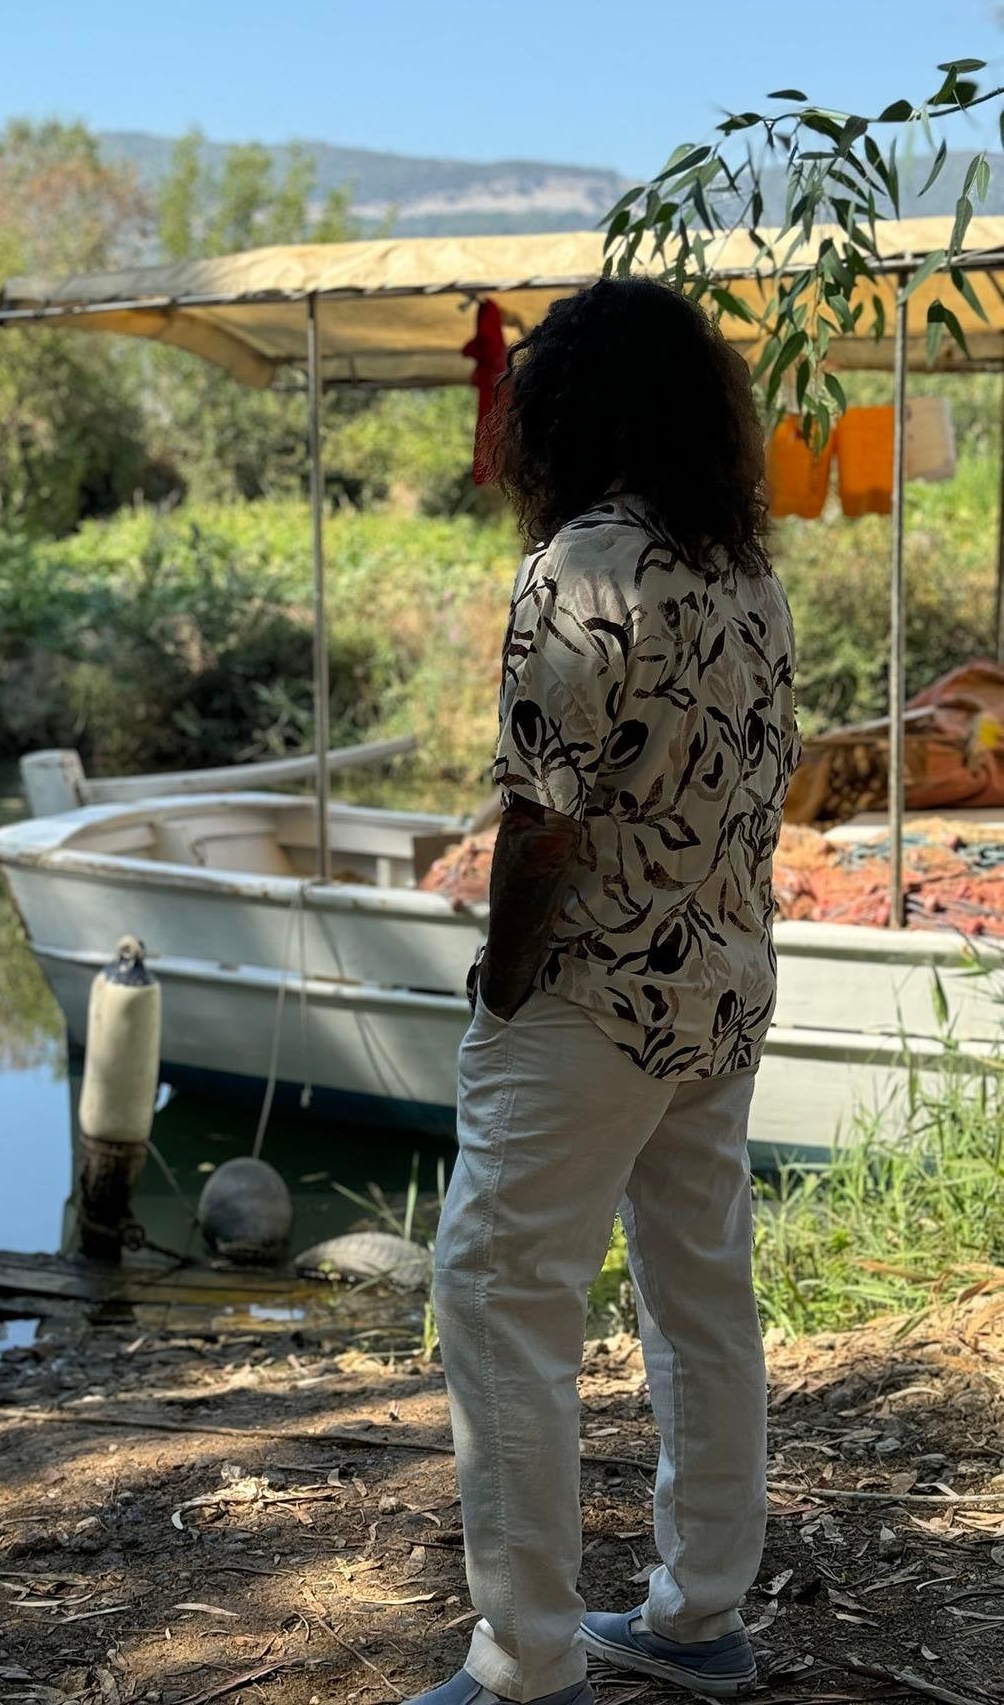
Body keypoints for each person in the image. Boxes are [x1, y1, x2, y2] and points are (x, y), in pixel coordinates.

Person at [409, 278, 799, 1705]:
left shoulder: (584, 565)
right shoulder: (737, 568)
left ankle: (525, 1665)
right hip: (718, 991)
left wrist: (500, 987)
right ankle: (699, 1618)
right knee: (702, 1304)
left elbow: (541, 820)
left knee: (502, 1300)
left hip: (590, 1001)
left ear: (565, 413)